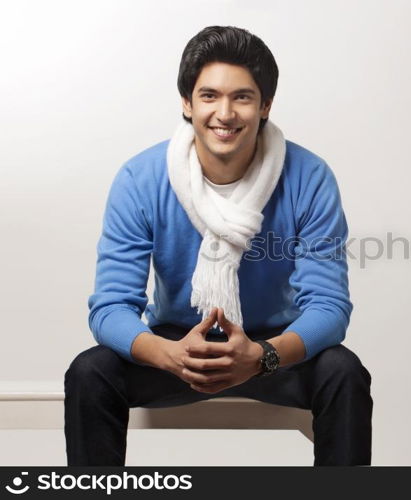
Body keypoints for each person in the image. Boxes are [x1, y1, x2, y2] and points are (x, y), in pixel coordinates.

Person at [64, 25, 372, 466]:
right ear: (187, 103)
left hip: (271, 347)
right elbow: (110, 307)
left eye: (242, 97)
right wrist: (168, 354)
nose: (224, 113)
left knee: (343, 372)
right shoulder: (141, 178)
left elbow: (329, 306)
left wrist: (261, 356)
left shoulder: (308, 177)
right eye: (209, 96)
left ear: (265, 105)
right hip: (177, 344)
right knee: (90, 371)